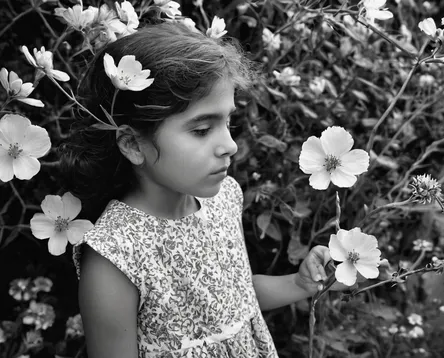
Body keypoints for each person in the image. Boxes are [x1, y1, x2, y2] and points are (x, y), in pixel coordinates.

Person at [60, 19, 341, 358]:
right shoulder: (114, 256)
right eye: (202, 129)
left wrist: (298, 284)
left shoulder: (225, 198)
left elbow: (235, 299)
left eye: (228, 121)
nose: (230, 145)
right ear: (133, 144)